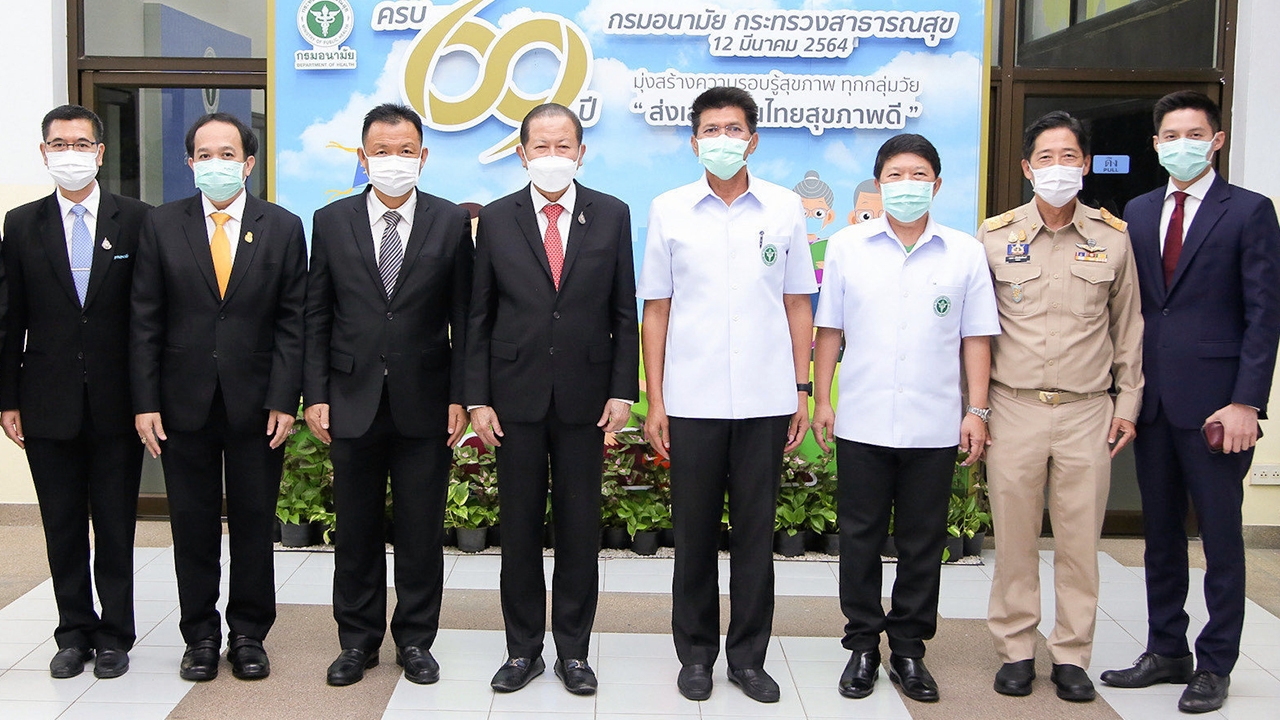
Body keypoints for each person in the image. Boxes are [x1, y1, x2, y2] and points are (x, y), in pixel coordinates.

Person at [1100, 90, 1280, 714]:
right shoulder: (1141, 211)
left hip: (1216, 410)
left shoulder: (1250, 212)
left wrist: (1247, 403)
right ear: (1155, 144)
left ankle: (1217, 662)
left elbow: (1264, 316)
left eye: (1193, 134)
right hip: (1152, 403)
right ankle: (1166, 648)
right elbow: (1134, 310)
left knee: (1223, 538)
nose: (1182, 144)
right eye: (1170, 135)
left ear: (1217, 140)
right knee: (1160, 537)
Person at [637, 86, 816, 704]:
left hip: (766, 400)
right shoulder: (669, 210)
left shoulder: (787, 208)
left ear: (753, 139)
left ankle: (748, 656)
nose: (722, 140)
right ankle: (695, 655)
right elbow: (655, 311)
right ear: (693, 143)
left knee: (754, 535)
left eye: (733, 129)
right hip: (692, 401)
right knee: (692, 534)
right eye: (710, 130)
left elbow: (798, 303)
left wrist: (801, 389)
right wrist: (655, 400)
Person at [811, 133, 1000, 704]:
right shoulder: (847, 245)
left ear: (937, 185)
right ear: (877, 183)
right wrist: (821, 398)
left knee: (923, 542)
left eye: (918, 175)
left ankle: (911, 649)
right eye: (895, 175)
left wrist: (977, 410)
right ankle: (863, 645)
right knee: (861, 539)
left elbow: (976, 338)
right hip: (864, 421)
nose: (906, 186)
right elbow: (829, 333)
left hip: (935, 423)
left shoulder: (964, 251)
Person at [466, 103, 638, 696]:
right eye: (541, 145)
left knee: (578, 528)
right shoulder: (495, 217)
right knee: (517, 528)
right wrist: (477, 398)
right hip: (513, 400)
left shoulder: (612, 215)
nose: (552, 156)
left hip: (586, 400)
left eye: (563, 145)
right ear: (521, 152)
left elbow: (624, 311)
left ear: (581, 152)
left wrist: (623, 388)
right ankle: (522, 651)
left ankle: (574, 651)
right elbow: (479, 316)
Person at [131, 112, 306, 682]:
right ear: (189, 163)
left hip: (258, 407)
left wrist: (285, 399)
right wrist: (145, 400)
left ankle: (250, 634)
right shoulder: (162, 225)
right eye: (204, 155)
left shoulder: (281, 226)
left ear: (249, 163)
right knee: (193, 523)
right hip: (182, 405)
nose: (216, 164)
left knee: (255, 523)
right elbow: (146, 319)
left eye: (227, 154)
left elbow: (292, 321)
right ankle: (200, 635)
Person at [304, 103, 473, 687]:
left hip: (426, 401)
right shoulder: (330, 221)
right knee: (354, 528)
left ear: (423, 157)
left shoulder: (451, 223)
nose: (393, 161)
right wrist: (315, 392)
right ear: (362, 156)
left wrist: (462, 394)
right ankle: (357, 641)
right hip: (350, 397)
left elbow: (466, 320)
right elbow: (316, 315)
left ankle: (416, 641)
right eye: (381, 151)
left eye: (405, 151)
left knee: (421, 530)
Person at [978, 110, 1143, 702]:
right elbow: (978, 333)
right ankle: (1017, 649)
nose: (1057, 168)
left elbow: (1128, 328)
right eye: (1044, 158)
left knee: (1079, 542)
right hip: (1014, 404)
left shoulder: (1112, 238)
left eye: (1068, 156)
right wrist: (976, 408)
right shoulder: (994, 236)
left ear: (1086, 164)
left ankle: (1072, 654)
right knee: (1015, 539)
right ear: (1026, 168)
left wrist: (1129, 400)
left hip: (1087, 410)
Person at [0, 104, 148, 680]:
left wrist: (147, 399)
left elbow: (147, 317)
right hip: (46, 400)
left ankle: (115, 634)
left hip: (119, 402)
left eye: (81, 143)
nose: (70, 153)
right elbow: (9, 319)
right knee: (61, 523)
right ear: (43, 153)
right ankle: (72, 632)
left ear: (101, 153)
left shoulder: (136, 219)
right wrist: (7, 397)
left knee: (115, 524)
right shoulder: (21, 223)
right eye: (59, 144)